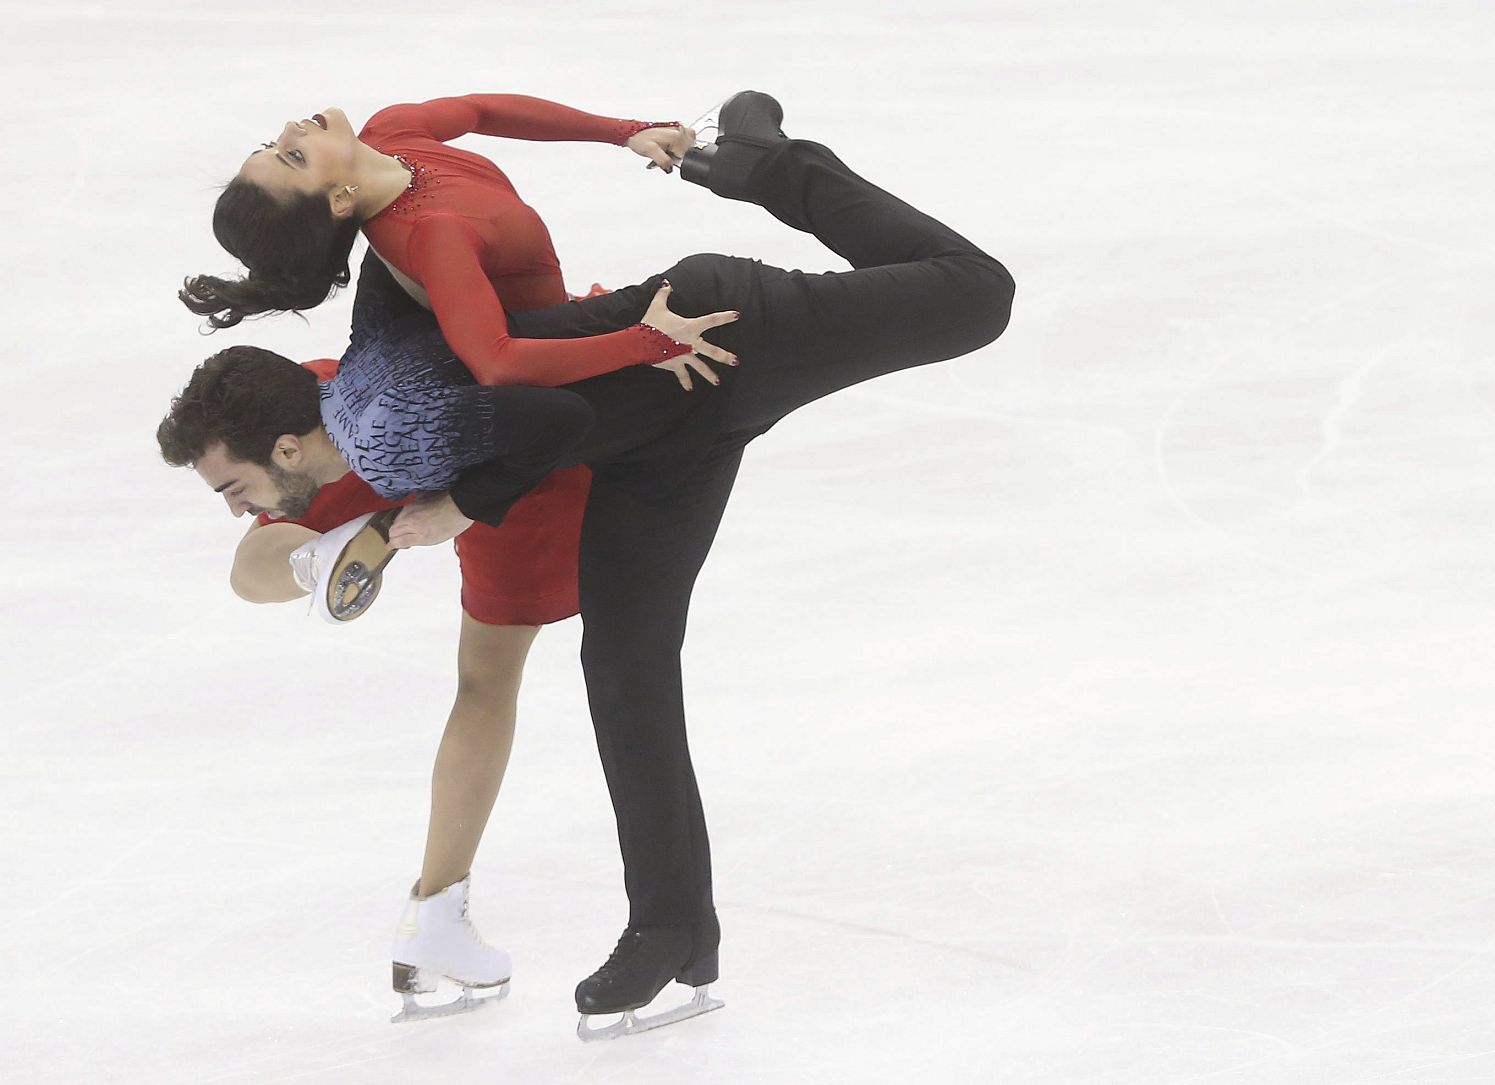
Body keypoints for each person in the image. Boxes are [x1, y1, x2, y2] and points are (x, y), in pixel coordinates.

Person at [161, 91, 1014, 1038]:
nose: (288, 132)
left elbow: (538, 396)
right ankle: (672, 926)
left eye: (279, 152)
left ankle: (776, 167)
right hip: (653, 445)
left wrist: (457, 507)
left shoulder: (399, 350)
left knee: (977, 295)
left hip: (718, 333)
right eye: (279, 155)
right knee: (623, 666)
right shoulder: (374, 368)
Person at [156, 352, 591, 1023]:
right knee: (482, 678)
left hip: (520, 470)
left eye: (234, 488)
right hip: (421, 427)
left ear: (285, 448)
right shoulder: (296, 407)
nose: (235, 506)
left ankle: (440, 914)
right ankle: (315, 560)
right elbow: (246, 571)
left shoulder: (344, 429)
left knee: (487, 674)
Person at [177, 94, 726, 389]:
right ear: (339, 199)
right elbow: (497, 364)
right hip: (579, 368)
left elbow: (484, 111)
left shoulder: (390, 132)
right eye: (294, 158)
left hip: (583, 330)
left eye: (273, 144)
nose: (294, 129)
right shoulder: (432, 235)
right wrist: (645, 344)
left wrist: (624, 130)